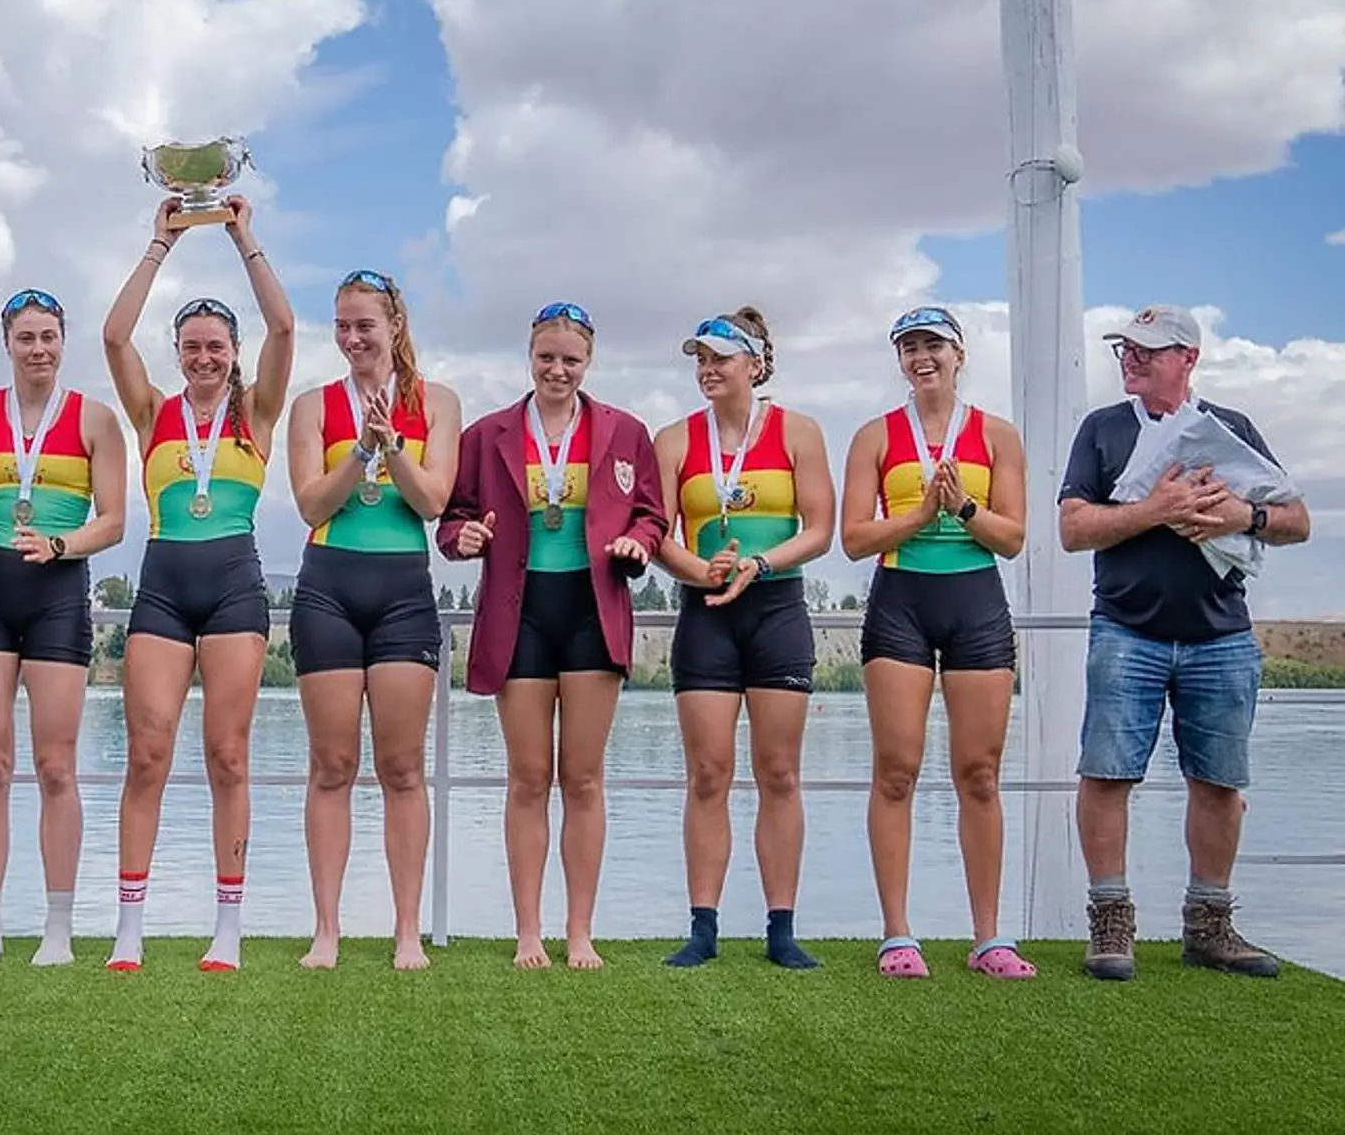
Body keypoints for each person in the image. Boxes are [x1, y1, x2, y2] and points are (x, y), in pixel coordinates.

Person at [1059, 304, 1309, 980]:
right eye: (1125, 348)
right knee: (1106, 773)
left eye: (1147, 350)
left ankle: (1209, 925)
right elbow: (1073, 528)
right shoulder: (1103, 429)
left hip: (1220, 636)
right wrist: (1155, 510)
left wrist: (1242, 515)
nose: (1131, 359)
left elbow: (1297, 520)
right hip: (1125, 629)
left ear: (1188, 358)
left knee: (1220, 782)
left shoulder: (1234, 429)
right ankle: (1110, 924)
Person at [437, 302, 666, 970]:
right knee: (529, 777)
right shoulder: (487, 434)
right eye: (546, 357)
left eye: (571, 359)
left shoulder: (625, 431)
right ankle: (529, 931)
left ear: (589, 361)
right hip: (521, 614)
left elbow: (653, 515)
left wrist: (638, 543)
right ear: (529, 356)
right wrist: (462, 537)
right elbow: (451, 518)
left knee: (584, 779)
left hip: (594, 611)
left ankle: (580, 931)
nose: (557, 370)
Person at [99, 194, 294, 971]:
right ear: (178, 353)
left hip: (235, 589)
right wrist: (161, 243)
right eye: (192, 347)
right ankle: (129, 925)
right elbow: (115, 336)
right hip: (163, 590)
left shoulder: (258, 411)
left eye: (216, 345)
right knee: (147, 754)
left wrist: (244, 238)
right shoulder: (153, 414)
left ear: (234, 351)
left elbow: (286, 328)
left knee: (227, 756)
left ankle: (228, 925)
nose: (204, 357)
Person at [840, 306, 1032, 979]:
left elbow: (1013, 538)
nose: (922, 358)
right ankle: (897, 934)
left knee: (979, 773)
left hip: (975, 602)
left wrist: (963, 509)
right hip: (901, 604)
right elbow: (855, 538)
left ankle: (989, 938)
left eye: (934, 346)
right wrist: (921, 514)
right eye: (910, 348)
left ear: (959, 354)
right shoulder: (875, 436)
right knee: (897, 770)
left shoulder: (997, 435)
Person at [0, 288, 127, 968]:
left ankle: (58, 927)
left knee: (56, 766)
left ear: (63, 341)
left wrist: (59, 545)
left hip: (57, 593)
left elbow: (114, 520)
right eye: (26, 337)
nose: (38, 349)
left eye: (48, 336)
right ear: (7, 343)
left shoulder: (95, 419)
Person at [286, 269, 462, 971]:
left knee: (402, 767)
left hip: (403, 594)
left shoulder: (437, 402)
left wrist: (390, 445)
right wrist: (359, 447)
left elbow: (433, 502)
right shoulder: (312, 405)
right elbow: (310, 504)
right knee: (332, 765)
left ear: (394, 326)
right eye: (343, 326)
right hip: (327, 589)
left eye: (365, 325)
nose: (353, 338)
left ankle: (407, 930)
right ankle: (326, 929)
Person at [650, 308, 834, 970]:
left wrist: (761, 563)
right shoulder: (674, 439)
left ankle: (781, 929)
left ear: (755, 365)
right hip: (706, 615)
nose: (708, 369)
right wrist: (701, 570)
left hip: (777, 610)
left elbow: (820, 529)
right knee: (708, 774)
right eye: (700, 359)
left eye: (720, 358)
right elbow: (656, 533)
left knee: (779, 772)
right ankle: (703, 928)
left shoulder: (798, 431)